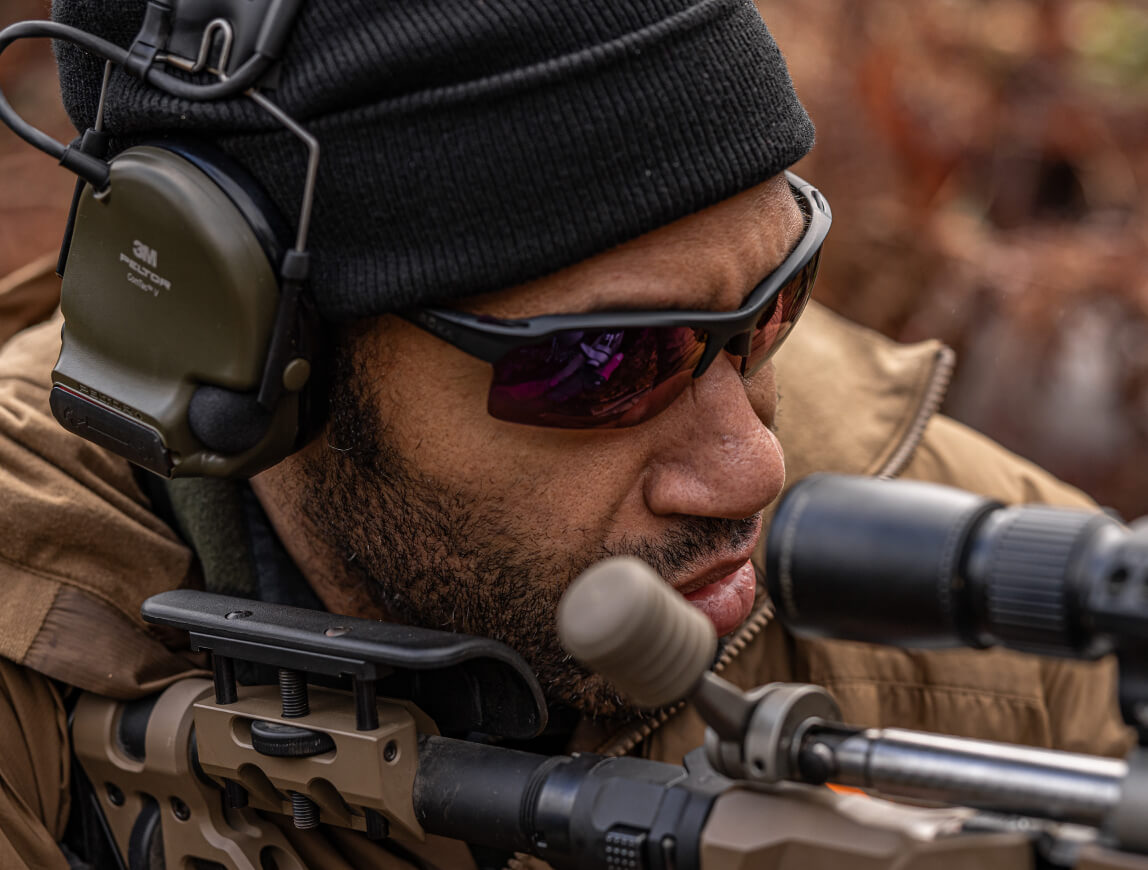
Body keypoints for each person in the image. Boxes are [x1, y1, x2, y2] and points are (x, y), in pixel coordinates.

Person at [0, 1, 1132, 867]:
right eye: (602, 367)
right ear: (248, 354)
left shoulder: (979, 579)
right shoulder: (31, 668)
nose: (752, 464)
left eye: (775, 304)